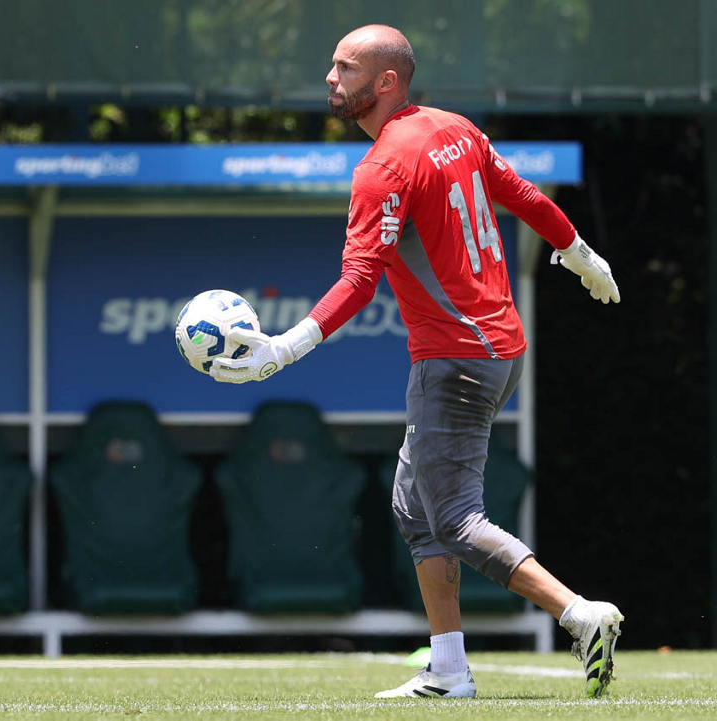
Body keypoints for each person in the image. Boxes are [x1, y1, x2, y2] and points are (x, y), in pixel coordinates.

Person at [209, 24, 623, 699]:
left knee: (455, 520)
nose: (330, 78)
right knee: (414, 506)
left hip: (455, 359)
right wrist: (581, 254)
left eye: (345, 67)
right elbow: (522, 196)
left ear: (386, 82)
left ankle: (579, 613)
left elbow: (358, 281)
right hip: (498, 348)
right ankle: (449, 669)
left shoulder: (382, 166)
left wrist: (281, 349)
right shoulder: (455, 128)